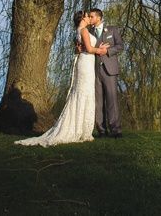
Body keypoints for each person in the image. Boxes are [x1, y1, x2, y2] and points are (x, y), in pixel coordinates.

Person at [16, 11, 103, 147]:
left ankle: (79, 127)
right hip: (86, 64)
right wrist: (101, 50)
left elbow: (78, 50)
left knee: (81, 93)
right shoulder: (84, 30)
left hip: (84, 62)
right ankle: (81, 130)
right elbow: (90, 49)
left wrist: (82, 49)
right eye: (87, 16)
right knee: (84, 93)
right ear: (83, 18)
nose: (89, 18)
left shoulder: (78, 30)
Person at [88, 8, 125, 138]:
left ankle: (116, 130)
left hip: (110, 70)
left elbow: (120, 46)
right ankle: (101, 130)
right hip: (95, 70)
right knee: (98, 102)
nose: (90, 19)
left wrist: (107, 51)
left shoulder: (112, 29)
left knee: (112, 100)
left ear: (99, 17)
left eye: (91, 16)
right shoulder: (88, 31)